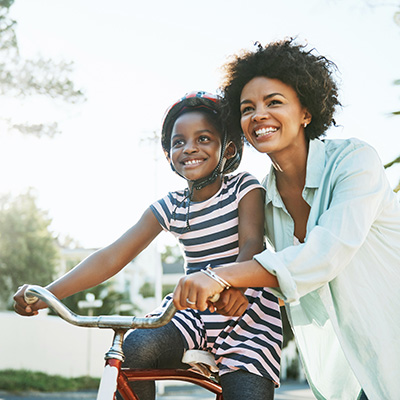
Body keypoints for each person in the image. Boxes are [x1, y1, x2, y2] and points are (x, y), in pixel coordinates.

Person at [13, 91, 282, 400]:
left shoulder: (243, 187)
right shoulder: (171, 206)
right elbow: (112, 256)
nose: (189, 148)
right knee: (135, 348)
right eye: (178, 142)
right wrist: (48, 295)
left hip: (247, 317)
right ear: (169, 155)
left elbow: (252, 242)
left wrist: (236, 288)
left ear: (228, 149)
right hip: (193, 314)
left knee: (246, 391)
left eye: (204, 138)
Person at [172, 40, 400, 400]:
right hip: (345, 367)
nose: (258, 115)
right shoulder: (263, 198)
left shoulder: (355, 161)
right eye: (247, 108)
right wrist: (237, 292)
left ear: (306, 112)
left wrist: (220, 276)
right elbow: (278, 276)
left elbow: (323, 256)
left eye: (273, 102)